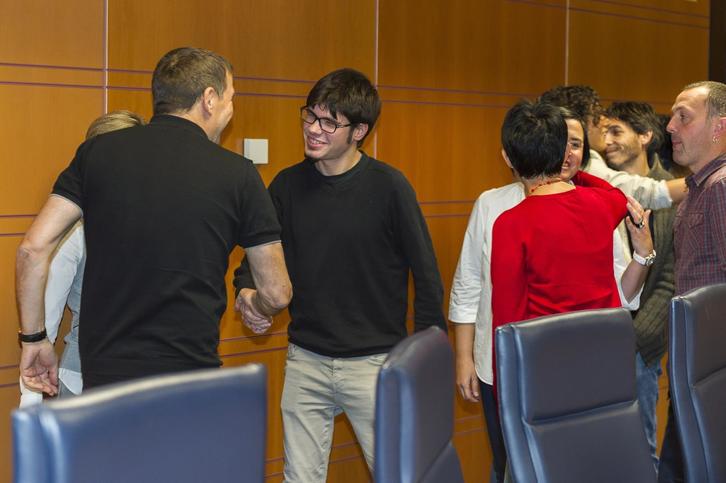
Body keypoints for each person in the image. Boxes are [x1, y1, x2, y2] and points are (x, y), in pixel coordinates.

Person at [16, 47, 292, 394]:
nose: (230, 110)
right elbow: (278, 292)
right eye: (230, 98)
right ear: (209, 99)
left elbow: (32, 249)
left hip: (104, 376)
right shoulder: (238, 173)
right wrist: (255, 303)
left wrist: (34, 338)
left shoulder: (97, 153)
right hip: (188, 374)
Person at [234, 68, 446, 483]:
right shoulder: (286, 185)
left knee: (401, 475)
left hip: (376, 364)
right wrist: (246, 292)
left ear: (359, 131)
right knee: (300, 478)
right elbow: (256, 257)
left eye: (329, 122)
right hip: (306, 360)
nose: (313, 130)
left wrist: (423, 361)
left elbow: (426, 275)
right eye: (310, 116)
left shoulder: (389, 187)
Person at [449, 105, 653, 483]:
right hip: (598, 367)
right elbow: (610, 191)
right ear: (563, 152)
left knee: (536, 468)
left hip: (541, 375)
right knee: (588, 467)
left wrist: (503, 390)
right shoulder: (600, 205)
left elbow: (507, 320)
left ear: (508, 157)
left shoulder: (509, 222)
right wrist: (576, 178)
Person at [18, 110, 146, 407]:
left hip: (146, 382)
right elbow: (44, 319)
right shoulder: (72, 228)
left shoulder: (153, 219)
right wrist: (31, 402)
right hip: (85, 383)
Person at [659, 80, 726, 483]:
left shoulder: (720, 189)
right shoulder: (698, 189)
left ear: (720, 127)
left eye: (684, 117)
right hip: (695, 369)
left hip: (711, 375)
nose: (670, 127)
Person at [603, 101, 675, 468]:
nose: (607, 142)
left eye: (617, 131)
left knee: (640, 449)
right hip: (598, 339)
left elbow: (671, 279)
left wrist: (633, 337)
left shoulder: (671, 193)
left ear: (645, 137)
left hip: (638, 346)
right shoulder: (599, 191)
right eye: (604, 133)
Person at [540, 85, 687, 206]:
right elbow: (648, 192)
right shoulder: (585, 163)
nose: (603, 122)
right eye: (596, 116)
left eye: (616, 132)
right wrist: (701, 178)